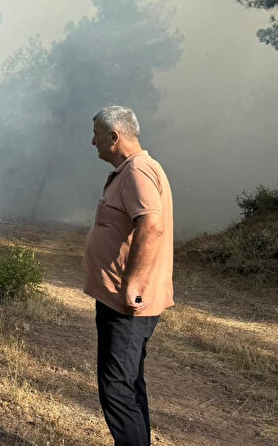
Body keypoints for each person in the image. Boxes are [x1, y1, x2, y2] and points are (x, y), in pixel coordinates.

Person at [84, 105, 174, 446]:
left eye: (95, 134)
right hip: (122, 300)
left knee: (118, 391)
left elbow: (151, 225)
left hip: (128, 303)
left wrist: (133, 283)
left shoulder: (137, 171)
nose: (92, 142)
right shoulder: (133, 170)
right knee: (129, 384)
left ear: (114, 136)